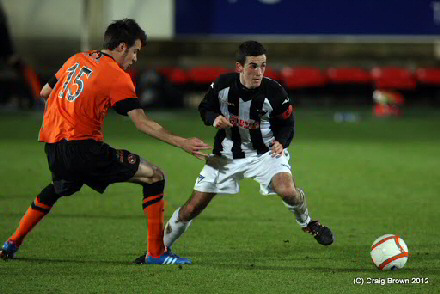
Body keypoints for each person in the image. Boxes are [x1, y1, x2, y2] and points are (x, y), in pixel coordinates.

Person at [0, 19, 210, 265]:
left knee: (57, 188)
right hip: (85, 149)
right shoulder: (115, 75)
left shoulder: (76, 59)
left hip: (54, 146)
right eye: (134, 52)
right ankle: (156, 253)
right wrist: (182, 142)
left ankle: (11, 244)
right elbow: (142, 123)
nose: (134, 59)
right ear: (122, 47)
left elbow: (45, 92)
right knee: (154, 176)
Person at [163, 41, 334, 255]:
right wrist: (214, 118)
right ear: (239, 67)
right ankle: (159, 250)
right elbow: (205, 108)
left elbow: (288, 123)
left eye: (263, 66)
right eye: (253, 65)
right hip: (226, 155)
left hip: (266, 153)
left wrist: (282, 141)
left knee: (287, 190)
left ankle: (308, 223)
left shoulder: (275, 91)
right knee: (192, 208)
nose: (259, 72)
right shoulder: (222, 85)